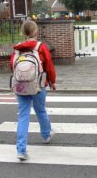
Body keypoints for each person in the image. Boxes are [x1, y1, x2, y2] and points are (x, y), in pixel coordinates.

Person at [11, 20, 57, 161]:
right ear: (35, 32)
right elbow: (49, 65)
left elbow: (13, 67)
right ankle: (46, 135)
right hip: (38, 84)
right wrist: (52, 81)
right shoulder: (40, 47)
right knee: (40, 110)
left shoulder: (17, 48)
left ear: (23, 33)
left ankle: (21, 150)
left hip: (21, 86)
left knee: (23, 115)